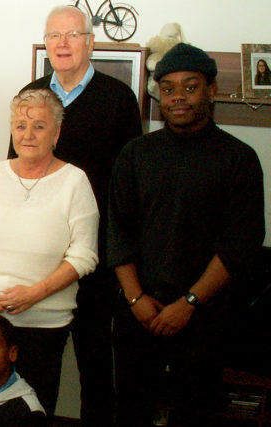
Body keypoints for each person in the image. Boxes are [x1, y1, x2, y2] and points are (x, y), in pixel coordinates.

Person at [108, 42, 266, 427]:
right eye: (168, 88)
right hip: (139, 314)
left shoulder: (238, 159)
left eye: (190, 87)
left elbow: (241, 244)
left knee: (195, 415)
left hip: (204, 318)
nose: (178, 97)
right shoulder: (136, 154)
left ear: (211, 91)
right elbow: (117, 231)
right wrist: (136, 298)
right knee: (130, 412)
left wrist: (190, 303)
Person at [6, 6, 142, 423]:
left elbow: (127, 186)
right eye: (54, 36)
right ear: (45, 44)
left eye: (72, 35)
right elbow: (14, 171)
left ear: (90, 42)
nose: (62, 44)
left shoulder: (118, 100)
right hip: (35, 255)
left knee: (95, 365)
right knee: (31, 366)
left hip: (92, 260)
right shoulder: (31, 95)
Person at [0, 89, 99, 415]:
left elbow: (85, 254)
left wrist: (34, 294)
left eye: (38, 126)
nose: (27, 134)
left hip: (43, 328)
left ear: (56, 133)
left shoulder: (75, 182)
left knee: (31, 413)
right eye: (20, 126)